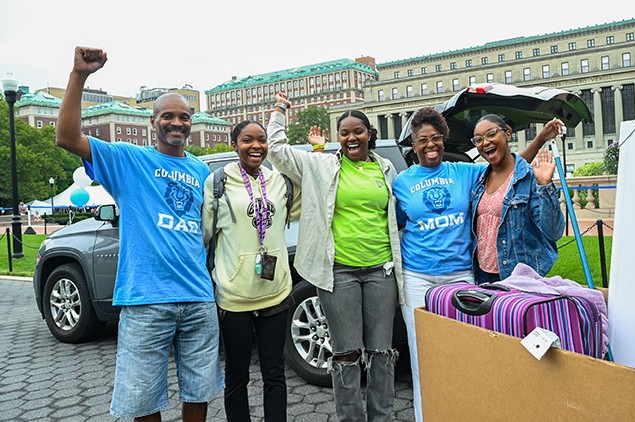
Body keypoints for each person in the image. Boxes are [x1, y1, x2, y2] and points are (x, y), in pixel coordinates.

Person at [55, 46, 223, 422]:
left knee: (200, 389)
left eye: (183, 116)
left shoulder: (202, 173)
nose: (176, 123)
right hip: (146, 299)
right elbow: (66, 137)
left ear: (191, 122)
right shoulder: (129, 160)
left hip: (198, 297)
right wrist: (79, 75)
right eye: (167, 116)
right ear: (153, 122)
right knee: (142, 397)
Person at [392, 107, 563, 422]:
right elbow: (397, 224)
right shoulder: (401, 183)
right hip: (418, 277)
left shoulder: (464, 172)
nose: (430, 145)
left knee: (467, 352)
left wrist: (540, 138)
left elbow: (509, 170)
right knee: (422, 355)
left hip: (461, 277)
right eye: (422, 140)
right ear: (413, 146)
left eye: (436, 138)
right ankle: (424, 415)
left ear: (444, 140)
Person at [266, 92, 402, 422]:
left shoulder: (386, 170)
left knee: (381, 352)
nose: (352, 137)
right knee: (345, 352)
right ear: (338, 137)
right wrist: (280, 112)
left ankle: (381, 417)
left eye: (358, 131)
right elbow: (277, 152)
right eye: (345, 132)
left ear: (370, 134)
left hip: (381, 271)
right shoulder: (320, 165)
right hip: (338, 273)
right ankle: (350, 418)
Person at [202, 120, 300, 422]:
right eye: (247, 140)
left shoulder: (280, 182)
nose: (255, 146)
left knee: (274, 373)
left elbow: (313, 198)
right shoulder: (217, 183)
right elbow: (205, 235)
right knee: (237, 375)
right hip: (234, 296)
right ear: (235, 145)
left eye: (261, 140)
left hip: (274, 292)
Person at [470, 113, 565, 283]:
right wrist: (541, 137)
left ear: (507, 134)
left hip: (518, 276)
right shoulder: (479, 181)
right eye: (478, 139)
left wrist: (544, 185)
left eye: (491, 134)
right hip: (483, 275)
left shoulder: (529, 177)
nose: (485, 142)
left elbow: (553, 232)